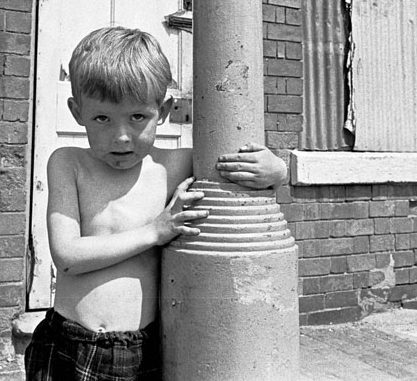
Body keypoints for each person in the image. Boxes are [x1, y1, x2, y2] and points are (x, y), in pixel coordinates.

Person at [25, 26, 287, 381]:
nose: (121, 136)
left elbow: (238, 164)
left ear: (162, 110)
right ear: (76, 111)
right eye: (102, 118)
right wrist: (156, 231)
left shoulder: (171, 166)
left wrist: (278, 170)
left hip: (142, 348)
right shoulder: (68, 163)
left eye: (137, 117)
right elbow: (68, 257)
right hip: (71, 342)